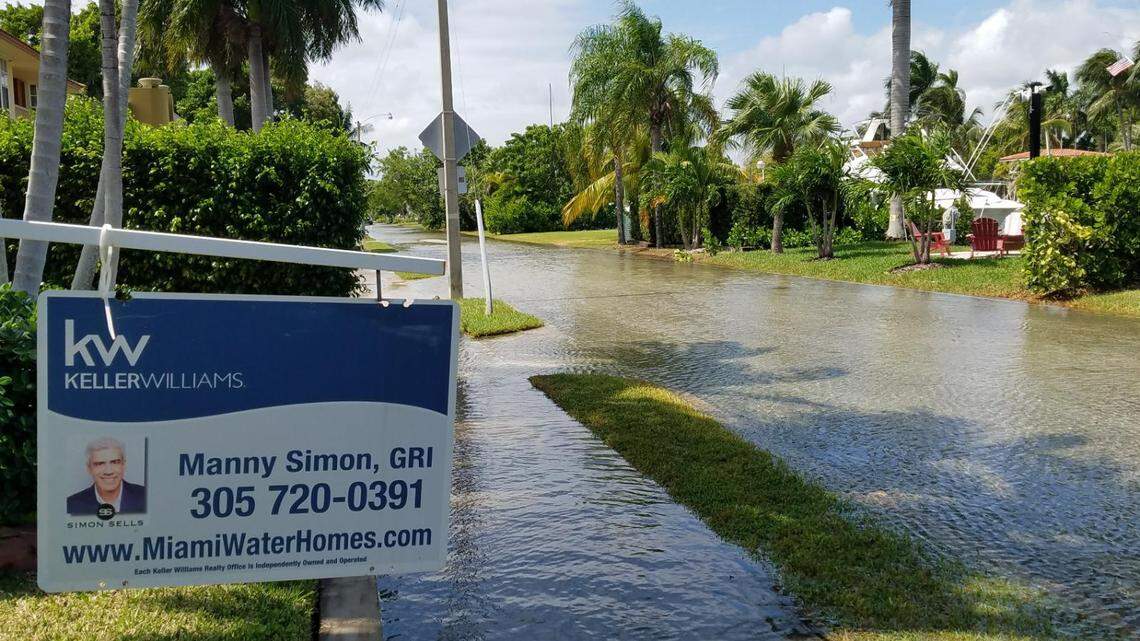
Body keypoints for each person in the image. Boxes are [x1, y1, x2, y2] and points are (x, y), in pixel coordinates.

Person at [66, 437, 146, 516]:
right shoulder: (72, 504)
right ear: (89, 468)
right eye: (100, 464)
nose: (108, 471)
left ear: (123, 465)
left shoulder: (146, 496)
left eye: (114, 462)